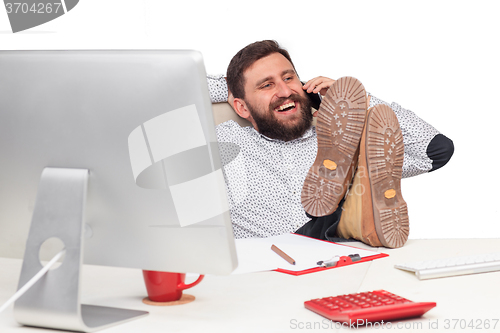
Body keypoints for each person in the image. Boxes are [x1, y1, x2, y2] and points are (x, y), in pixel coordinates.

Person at [208, 40, 453, 248]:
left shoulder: (341, 139)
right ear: (240, 106)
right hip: (270, 265)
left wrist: (355, 103)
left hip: (339, 265)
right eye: (267, 84)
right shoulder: (224, 142)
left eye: (289, 77)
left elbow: (436, 151)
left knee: (355, 174)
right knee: (329, 220)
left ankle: (351, 211)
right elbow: (173, 92)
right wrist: (229, 85)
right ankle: (350, 217)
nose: (285, 91)